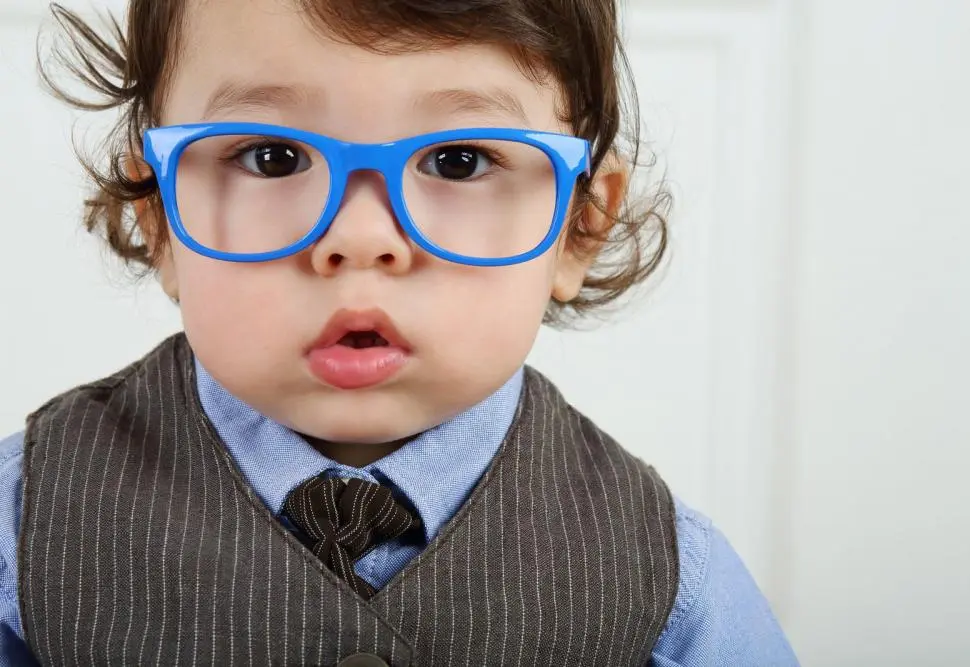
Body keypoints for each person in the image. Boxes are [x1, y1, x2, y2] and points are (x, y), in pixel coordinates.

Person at [0, 0, 799, 664]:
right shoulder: (22, 528)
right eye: (273, 157)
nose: (358, 235)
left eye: (457, 160)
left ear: (579, 226)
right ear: (160, 218)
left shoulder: (667, 578)